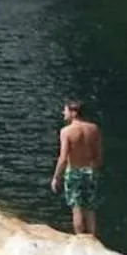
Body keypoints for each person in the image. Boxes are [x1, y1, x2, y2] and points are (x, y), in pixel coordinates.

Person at [50, 99, 104, 238]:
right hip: (91, 171)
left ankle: (80, 239)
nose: (63, 113)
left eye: (66, 110)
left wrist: (56, 177)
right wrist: (94, 170)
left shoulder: (66, 131)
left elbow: (63, 158)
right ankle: (92, 238)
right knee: (90, 208)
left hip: (74, 172)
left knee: (77, 207)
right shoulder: (94, 129)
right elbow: (99, 155)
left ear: (74, 113)